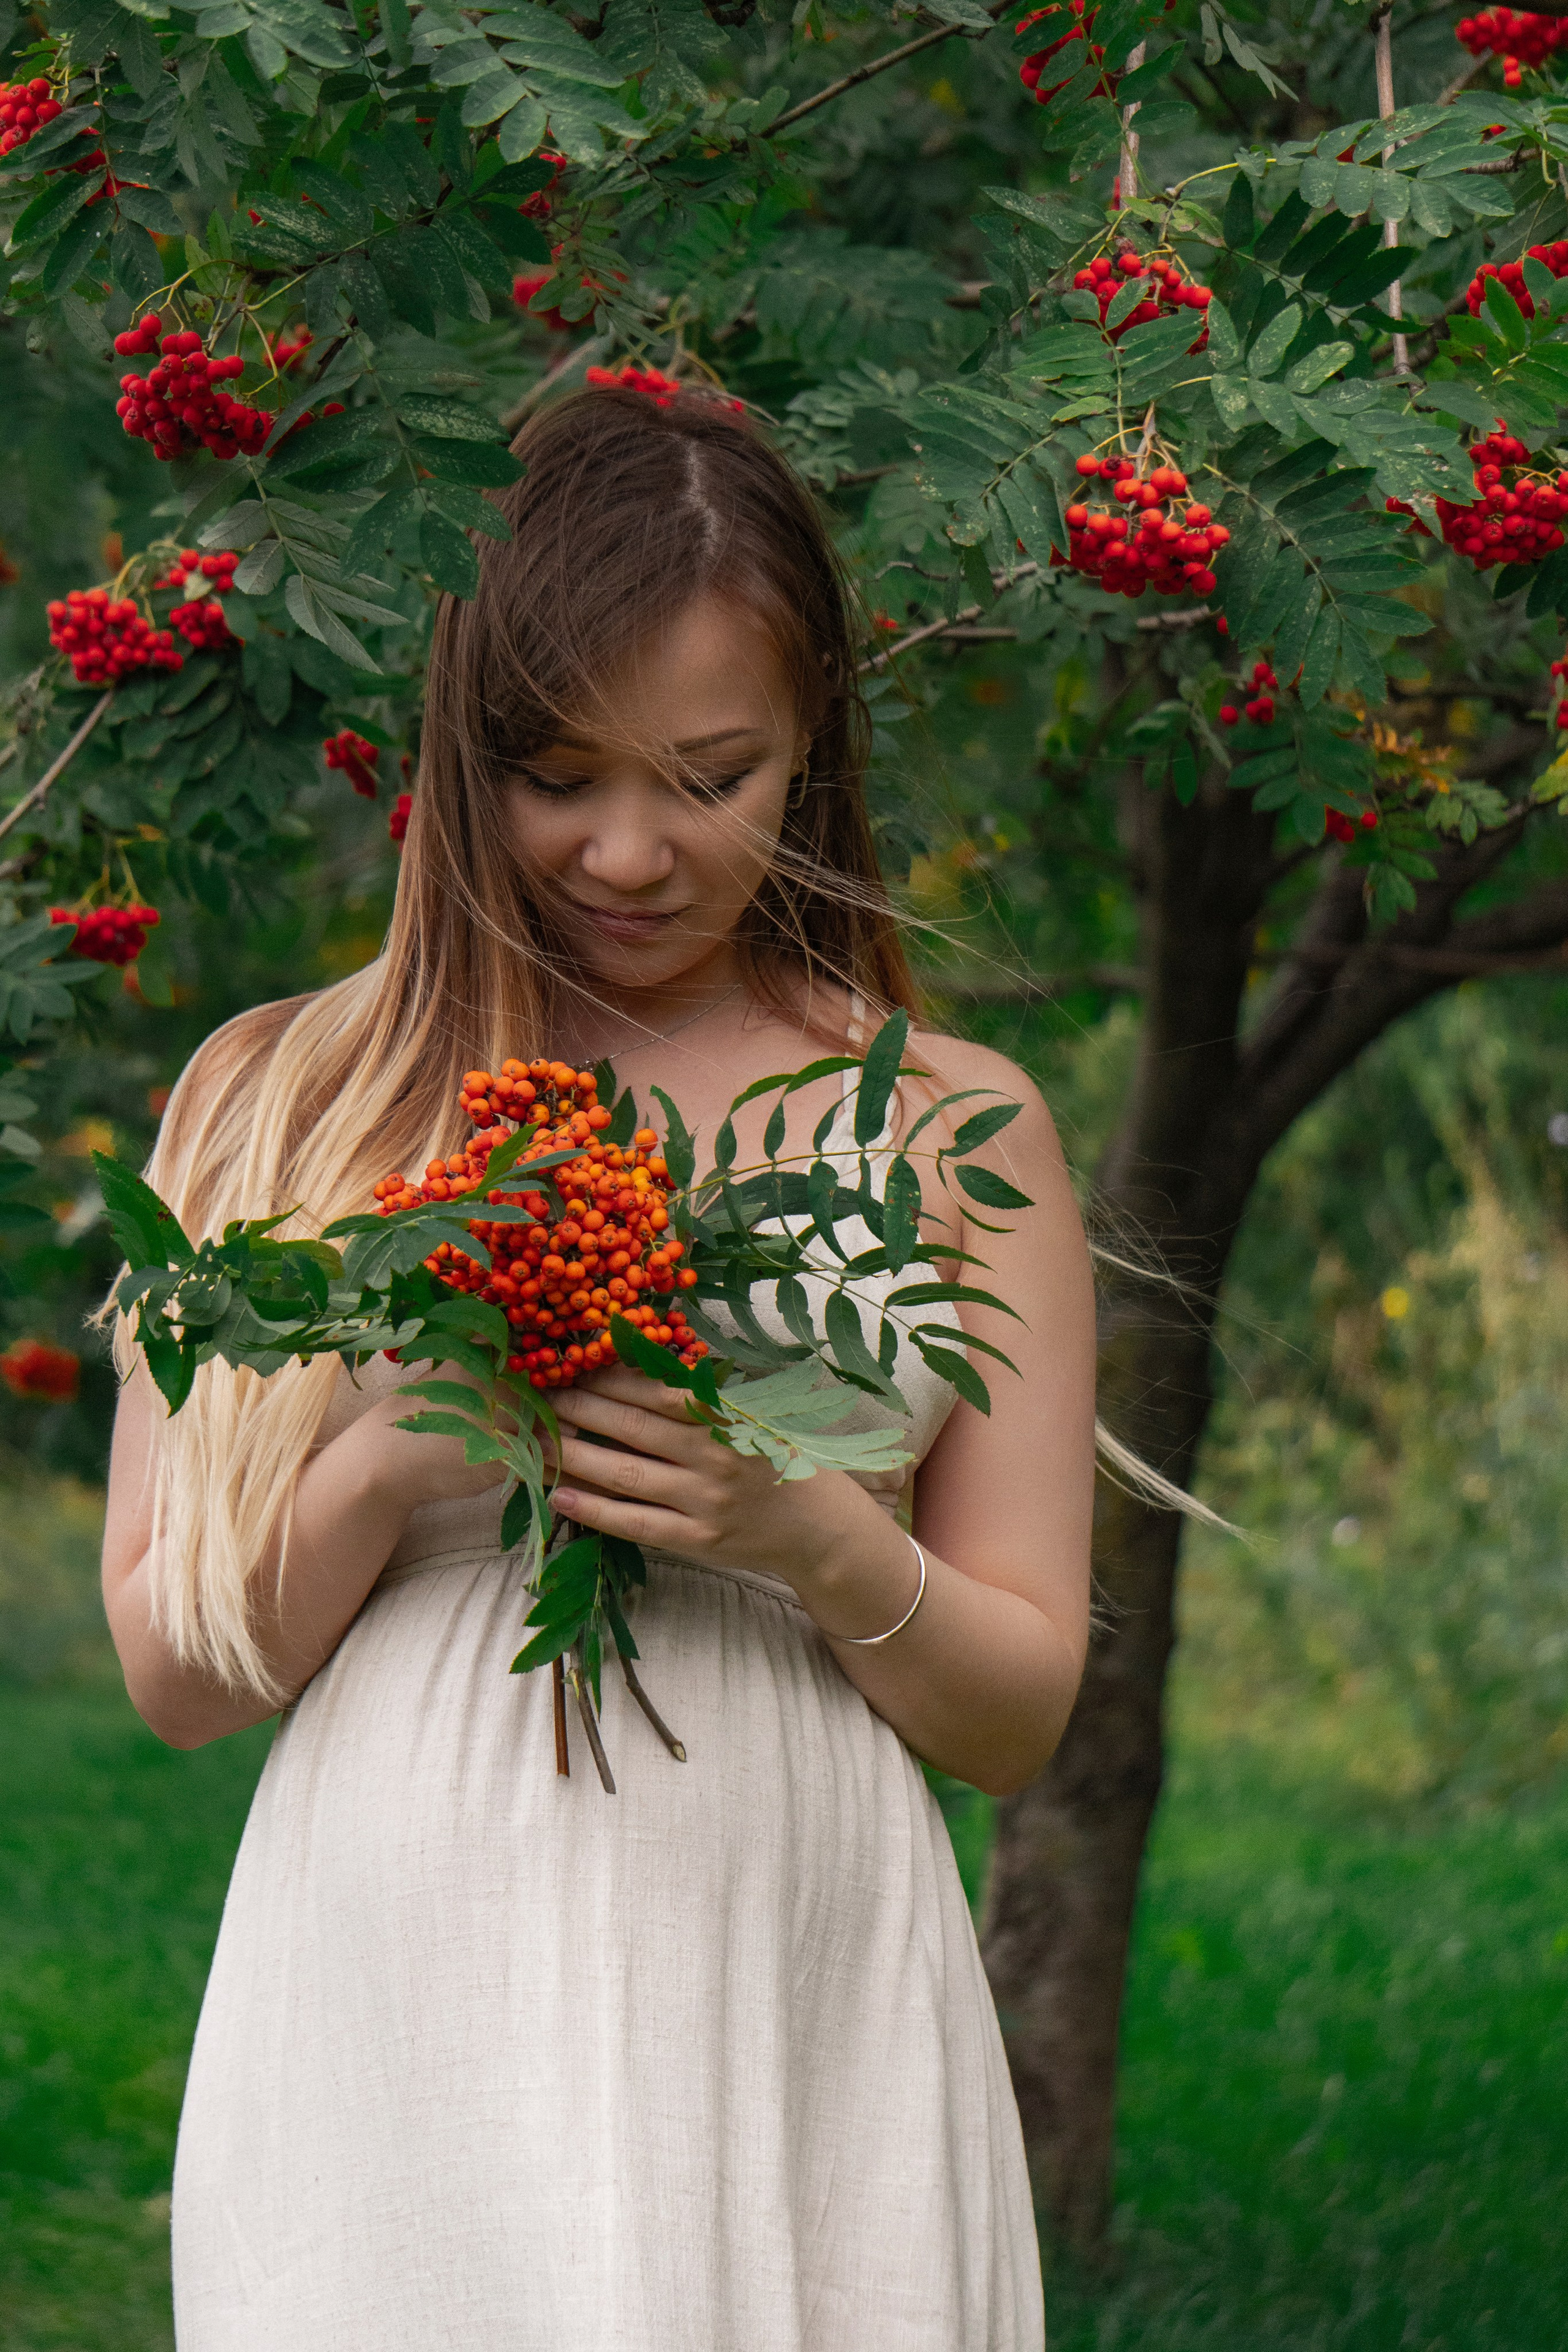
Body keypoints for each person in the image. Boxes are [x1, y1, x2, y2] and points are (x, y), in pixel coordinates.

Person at [100, 383, 1096, 2351]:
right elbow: (171, 1677)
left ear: (814, 751)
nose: (629, 852)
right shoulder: (282, 1105)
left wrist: (810, 1537)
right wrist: (391, 1463)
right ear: (463, 761)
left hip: (798, 1966)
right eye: (558, 776)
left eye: (710, 774)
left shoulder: (952, 1127)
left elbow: (1019, 1717)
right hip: (408, 1971)